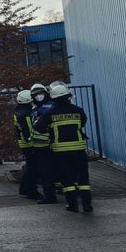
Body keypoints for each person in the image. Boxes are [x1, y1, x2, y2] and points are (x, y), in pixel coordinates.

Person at [34, 82, 91, 213]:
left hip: (61, 151)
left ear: (53, 97)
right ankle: (87, 205)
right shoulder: (78, 110)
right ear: (68, 96)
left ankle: (73, 205)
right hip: (79, 149)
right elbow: (83, 122)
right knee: (83, 179)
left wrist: (50, 129)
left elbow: (38, 127)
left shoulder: (50, 113)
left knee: (67, 179)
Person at [29, 83, 57, 203]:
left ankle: (52, 196)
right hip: (40, 147)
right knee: (46, 173)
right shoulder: (35, 108)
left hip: (52, 145)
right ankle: (50, 195)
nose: (38, 96)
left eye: (41, 94)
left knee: (49, 172)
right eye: (36, 95)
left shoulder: (52, 106)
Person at [13, 90, 44, 200]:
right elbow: (29, 132)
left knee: (30, 167)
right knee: (33, 169)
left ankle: (24, 188)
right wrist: (34, 145)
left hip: (25, 144)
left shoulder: (19, 111)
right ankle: (32, 191)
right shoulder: (25, 114)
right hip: (30, 145)